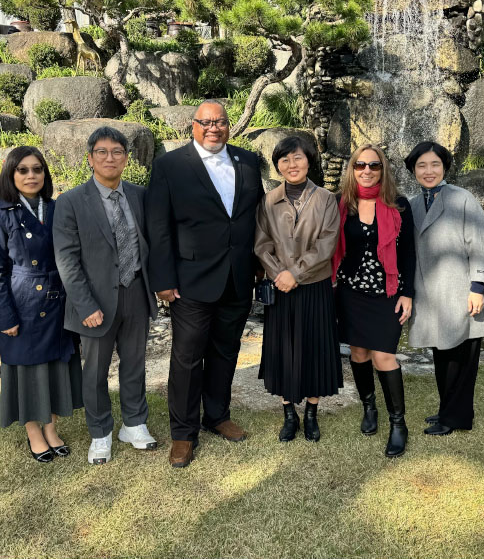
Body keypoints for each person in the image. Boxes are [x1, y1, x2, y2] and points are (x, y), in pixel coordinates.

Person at [147, 100, 264, 468]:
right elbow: (159, 226)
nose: (214, 128)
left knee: (226, 351)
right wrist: (163, 279)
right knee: (186, 358)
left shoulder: (247, 161)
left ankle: (217, 415)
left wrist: (259, 263)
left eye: (221, 122)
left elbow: (256, 216)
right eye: (207, 122)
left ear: (230, 126)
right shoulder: (169, 165)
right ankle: (183, 433)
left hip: (237, 276)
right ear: (193, 126)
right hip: (190, 280)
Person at [53, 127, 159, 465]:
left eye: (117, 151)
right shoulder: (70, 202)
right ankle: (100, 433)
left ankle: (134, 423)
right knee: (95, 371)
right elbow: (66, 259)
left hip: (136, 293)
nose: (110, 157)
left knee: (134, 364)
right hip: (94, 303)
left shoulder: (141, 196)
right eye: (102, 152)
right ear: (90, 158)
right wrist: (85, 305)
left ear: (127, 158)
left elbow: (153, 244)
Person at [0, 146, 83, 463]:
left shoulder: (57, 208)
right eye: (23, 170)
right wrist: (5, 316)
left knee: (56, 365)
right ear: (11, 174)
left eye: (37, 169)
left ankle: (51, 428)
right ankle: (34, 433)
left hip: (59, 298)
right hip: (23, 301)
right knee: (27, 370)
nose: (31, 175)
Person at [403, 141, 484, 436]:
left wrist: (477, 287)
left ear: (444, 167)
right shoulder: (412, 204)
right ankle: (447, 409)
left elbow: (481, 244)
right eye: (421, 165)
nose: (428, 171)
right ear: (413, 170)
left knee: (462, 359)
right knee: (442, 355)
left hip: (462, 292)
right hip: (432, 297)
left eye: (435, 164)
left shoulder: (462, 199)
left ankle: (456, 418)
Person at [254, 136, 342, 442]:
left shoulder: (326, 199)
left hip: (314, 286)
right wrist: (281, 275)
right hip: (280, 287)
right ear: (277, 164)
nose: (292, 165)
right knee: (283, 350)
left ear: (309, 161)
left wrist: (296, 273)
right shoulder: (267, 201)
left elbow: (327, 243)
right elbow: (262, 245)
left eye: (298, 158)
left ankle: (311, 414)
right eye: (285, 160)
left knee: (315, 349)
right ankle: (289, 413)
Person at [333, 144, 415, 458]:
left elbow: (408, 252)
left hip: (387, 293)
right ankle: (370, 407)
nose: (367, 170)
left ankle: (398, 423)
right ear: (352, 170)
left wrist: (408, 293)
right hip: (351, 292)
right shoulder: (342, 204)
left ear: (383, 170)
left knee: (384, 356)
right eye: (360, 165)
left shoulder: (399, 206)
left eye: (374, 165)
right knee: (358, 352)